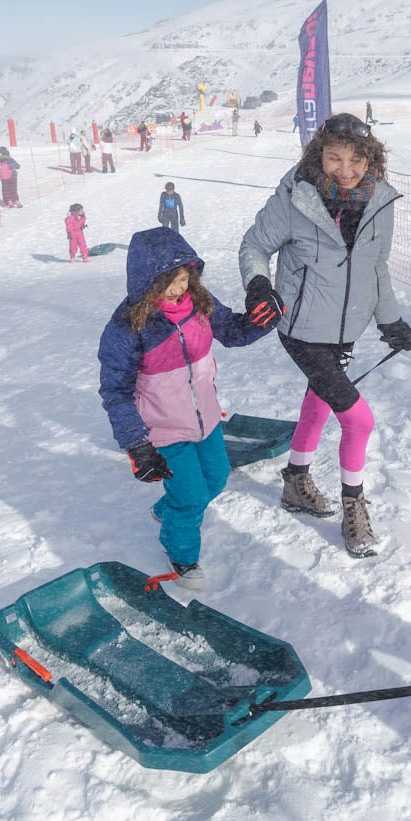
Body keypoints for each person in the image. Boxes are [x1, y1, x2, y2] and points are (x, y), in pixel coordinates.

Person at [239, 112, 411, 558]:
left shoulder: (379, 201)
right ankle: (353, 508)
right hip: (299, 327)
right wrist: (258, 283)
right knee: (359, 420)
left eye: (355, 159)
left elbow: (377, 267)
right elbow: (254, 246)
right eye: (334, 158)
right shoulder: (295, 198)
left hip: (344, 330)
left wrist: (389, 320)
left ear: (369, 158)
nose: (345, 169)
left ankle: (296, 481)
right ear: (319, 154)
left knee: (317, 401)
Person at [97, 228, 277, 589]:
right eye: (169, 283)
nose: (179, 289)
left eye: (183, 278)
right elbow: (116, 391)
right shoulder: (128, 326)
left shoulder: (200, 303)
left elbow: (233, 331)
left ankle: (167, 509)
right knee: (192, 496)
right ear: (146, 284)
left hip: (206, 419)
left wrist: (261, 321)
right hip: (161, 429)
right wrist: (138, 444)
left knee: (216, 477)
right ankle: (181, 554)